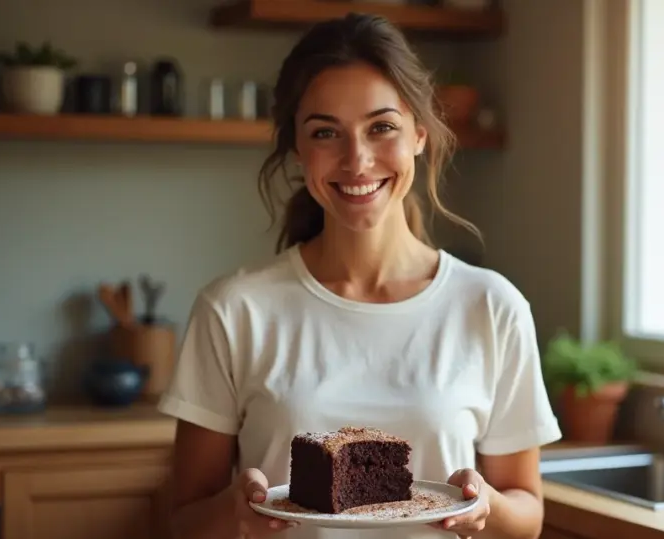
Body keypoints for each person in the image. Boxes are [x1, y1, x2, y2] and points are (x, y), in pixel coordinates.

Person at [158, 12, 562, 539]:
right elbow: (175, 522)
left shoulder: (491, 307)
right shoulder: (234, 310)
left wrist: (487, 505)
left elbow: (527, 513)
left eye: (382, 127)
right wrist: (233, 512)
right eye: (326, 132)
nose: (357, 159)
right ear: (298, 150)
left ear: (419, 133)